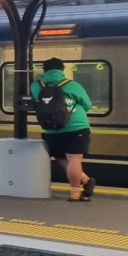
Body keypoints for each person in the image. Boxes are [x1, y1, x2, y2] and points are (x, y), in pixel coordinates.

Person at [30, 57, 96, 202]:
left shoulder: (36, 86)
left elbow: (36, 103)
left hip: (51, 128)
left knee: (60, 157)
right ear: (62, 69)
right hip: (76, 126)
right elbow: (87, 104)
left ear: (44, 70)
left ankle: (85, 180)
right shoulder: (72, 85)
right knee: (74, 158)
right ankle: (75, 193)